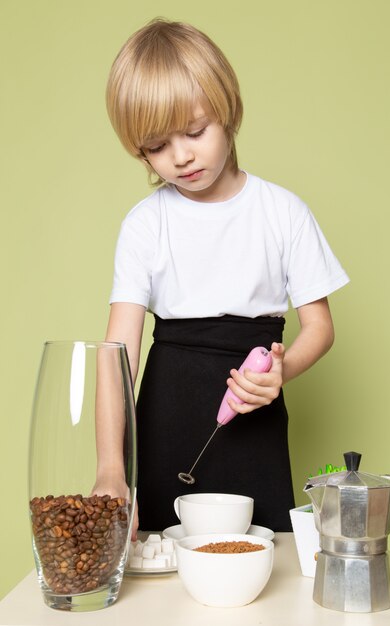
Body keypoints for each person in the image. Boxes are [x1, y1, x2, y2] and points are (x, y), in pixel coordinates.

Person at [98, 18, 349, 535]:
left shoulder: (283, 211)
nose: (182, 156)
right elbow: (115, 355)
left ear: (228, 110)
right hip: (166, 416)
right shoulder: (147, 223)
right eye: (156, 146)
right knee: (160, 565)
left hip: (254, 414)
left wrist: (281, 373)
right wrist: (110, 469)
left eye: (195, 131)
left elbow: (319, 328)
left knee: (265, 561)